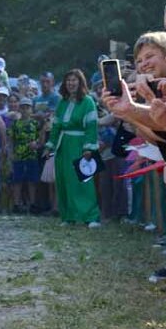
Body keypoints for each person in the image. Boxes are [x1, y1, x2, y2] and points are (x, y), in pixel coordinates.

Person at [45, 69, 100, 228]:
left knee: (83, 181)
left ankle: (91, 216)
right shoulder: (62, 102)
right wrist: (50, 145)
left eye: (74, 80)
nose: (71, 83)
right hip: (64, 145)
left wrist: (89, 148)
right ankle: (68, 216)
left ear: (80, 82)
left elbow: (91, 126)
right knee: (64, 180)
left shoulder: (88, 101)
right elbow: (55, 126)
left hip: (80, 144)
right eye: (68, 80)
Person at [7, 96, 42, 213]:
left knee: (32, 181)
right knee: (17, 181)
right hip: (19, 154)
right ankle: (17, 204)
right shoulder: (15, 124)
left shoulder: (35, 124)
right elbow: (11, 140)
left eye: (27, 107)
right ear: (19, 109)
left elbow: (41, 139)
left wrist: (36, 144)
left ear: (31, 109)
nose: (25, 110)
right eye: (22, 107)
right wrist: (10, 154)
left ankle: (32, 204)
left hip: (32, 155)